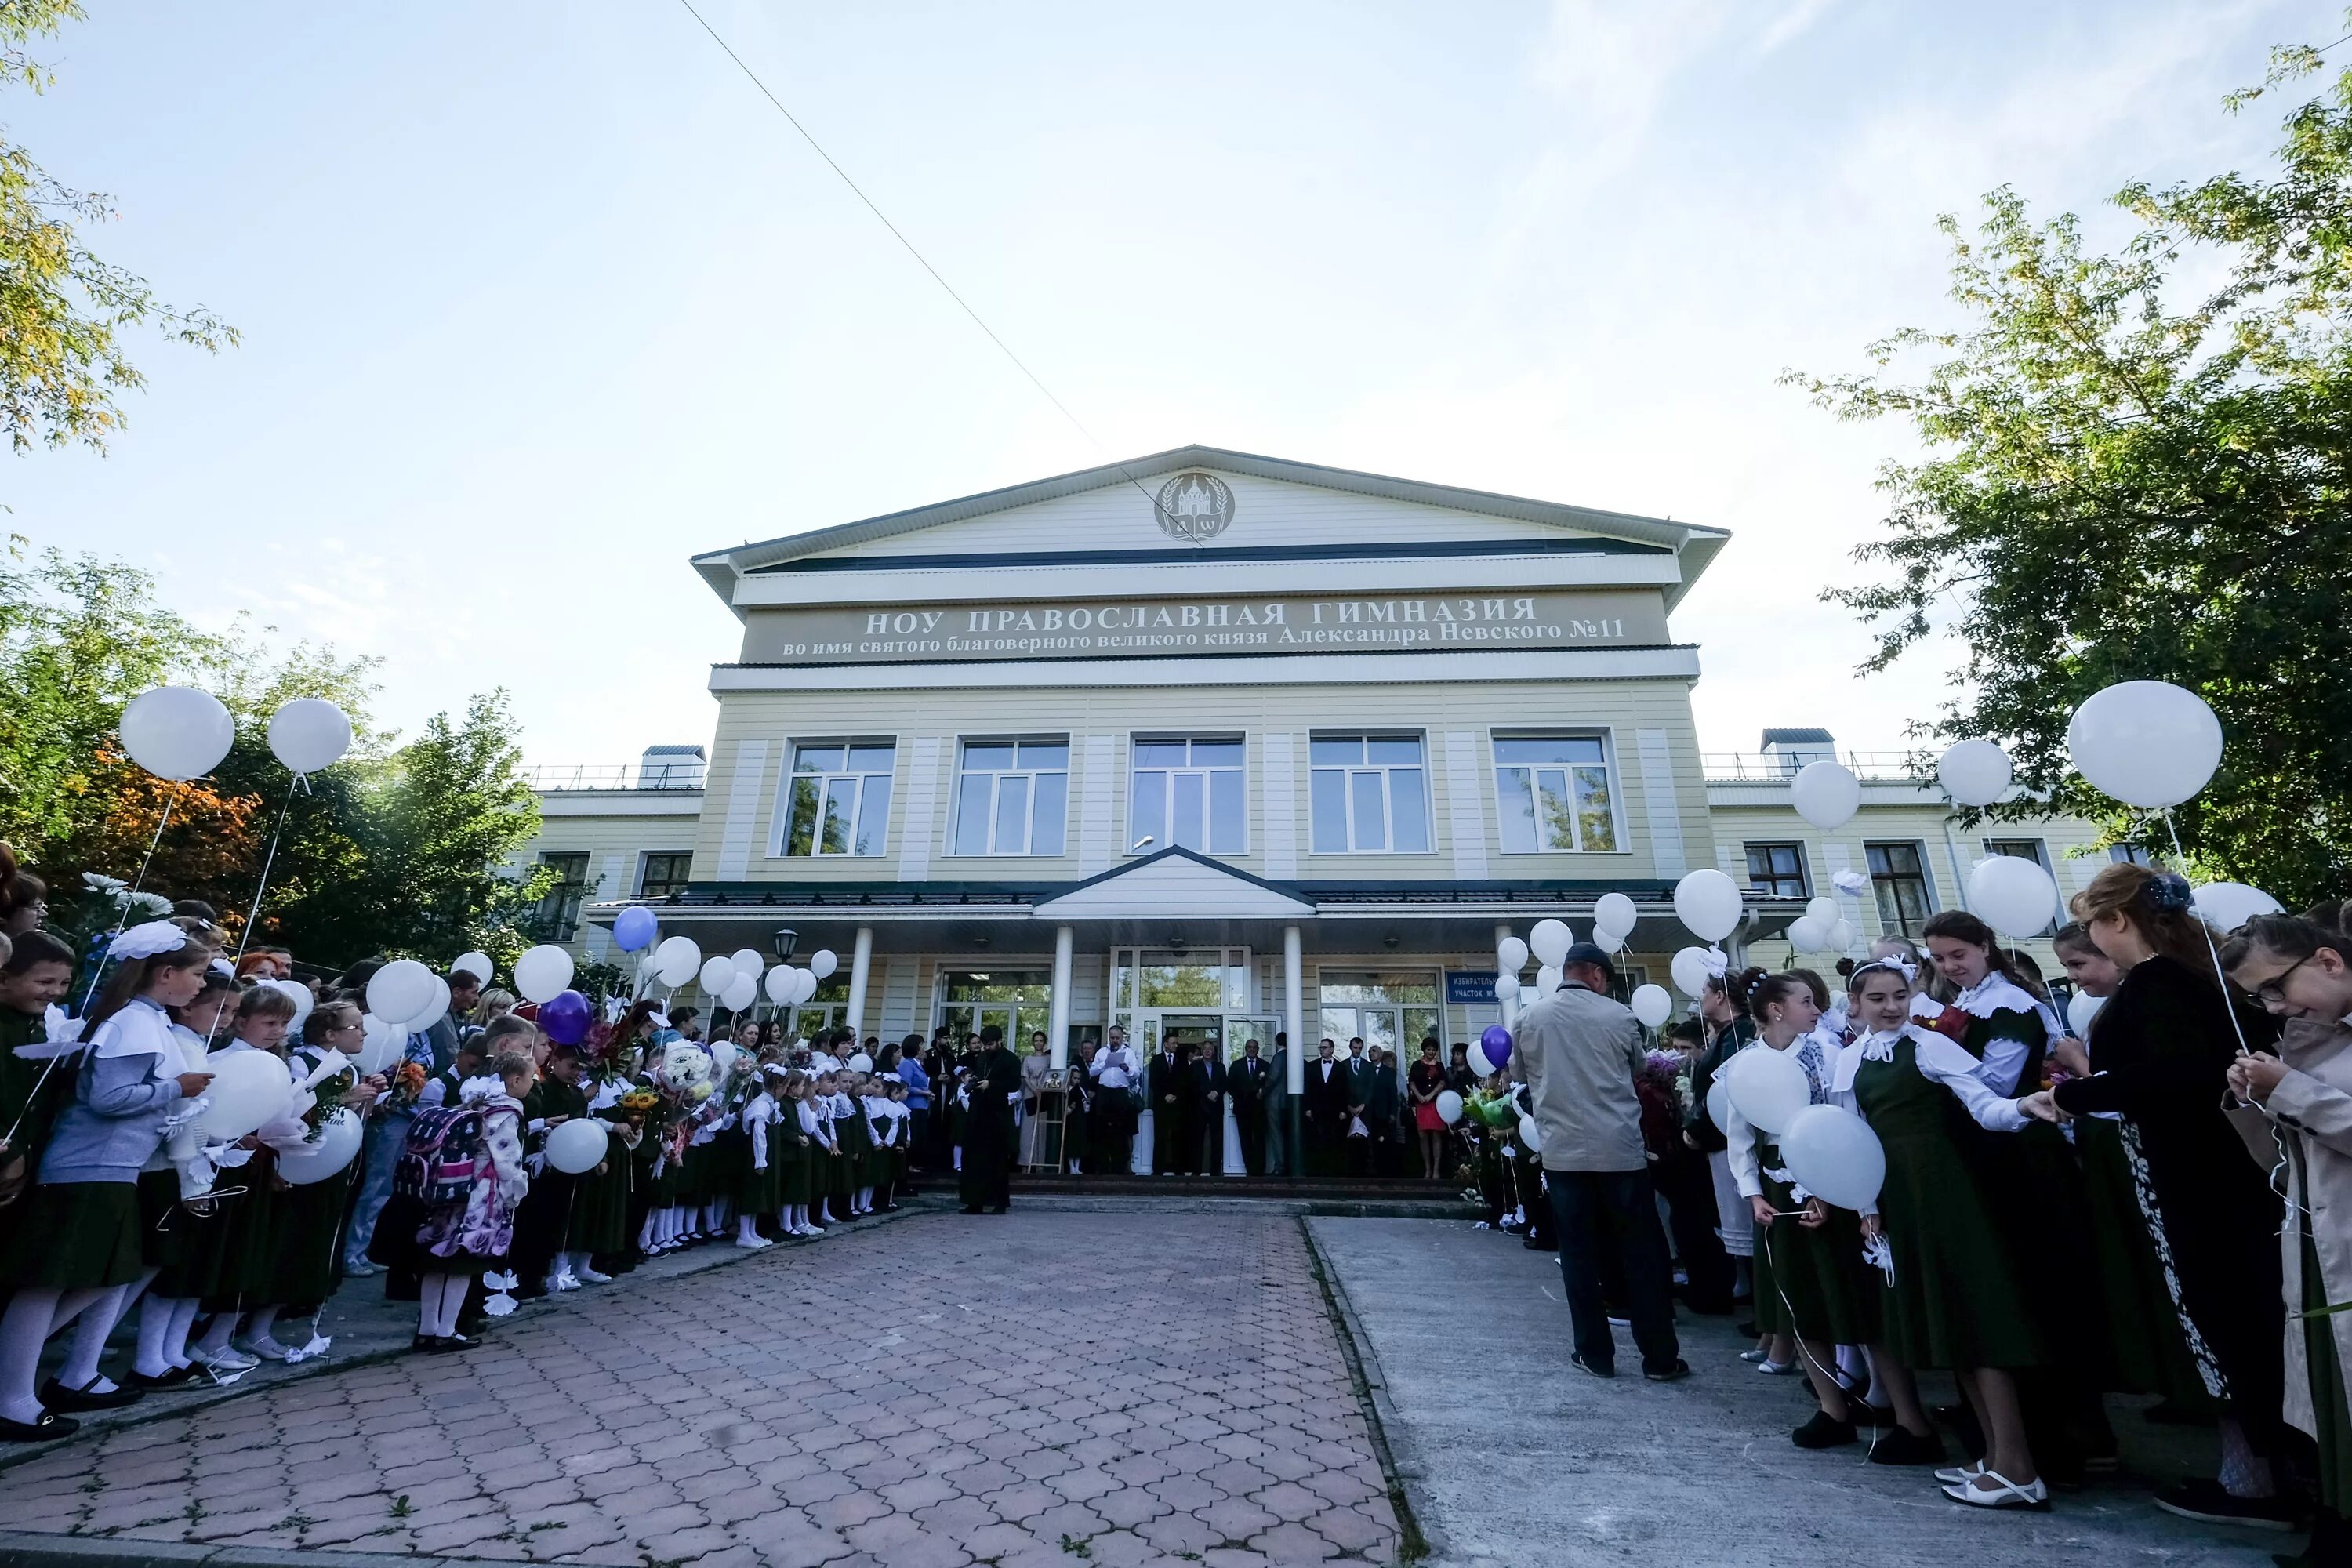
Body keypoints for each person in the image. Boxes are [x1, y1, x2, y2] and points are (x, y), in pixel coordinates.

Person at [2049, 864, 2292, 1529]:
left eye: (2096, 924)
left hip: (2195, 1175)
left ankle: (2262, 1479)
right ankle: (2258, 1469)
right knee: (2240, 1313)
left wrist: (2069, 1094)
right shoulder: (2196, 975)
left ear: (2117, 921)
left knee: (2224, 1316)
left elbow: (2167, 1077)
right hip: (2222, 1171)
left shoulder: (2156, 985)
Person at [1838, 956, 2048, 1503]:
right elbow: (1851, 1139)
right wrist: (1865, 1208)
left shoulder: (1929, 1046)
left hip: (1940, 1190)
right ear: (1855, 1005)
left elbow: (1984, 1107)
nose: (1891, 1007)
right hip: (1894, 1199)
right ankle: (1992, 1459)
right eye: (1877, 998)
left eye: (1899, 996)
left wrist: (2027, 1105)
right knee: (1952, 1324)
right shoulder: (1849, 1061)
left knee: (1977, 1320)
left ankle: (2019, 1466)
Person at [0, 922, 213, 1439]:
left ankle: (13, 1378)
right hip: (88, 1168)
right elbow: (109, 1099)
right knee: (50, 1284)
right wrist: (176, 1088)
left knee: (103, 1278)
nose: (204, 985)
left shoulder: (146, 1020)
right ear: (166, 974)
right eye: (199, 974)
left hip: (112, 1170)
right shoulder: (135, 1023)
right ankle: (13, 1397)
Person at [2221, 913, 2352, 1563]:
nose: (2273, 1007)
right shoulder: (2306, 1040)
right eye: (2260, 998)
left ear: (2329, 962)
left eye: (2276, 988)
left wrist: (2295, 1090)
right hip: (2318, 1251)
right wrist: (2253, 1100)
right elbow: (2283, 1163)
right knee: (2332, 1401)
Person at [1726, 972, 1889, 1450]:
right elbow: (1741, 1137)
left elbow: (1845, 1115)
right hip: (1777, 1179)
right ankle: (1829, 1406)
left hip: (1828, 1168)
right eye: (1805, 1001)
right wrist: (1753, 1192)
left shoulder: (1826, 1052)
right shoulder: (1746, 1064)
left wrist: (1831, 1185)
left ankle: (1881, 1392)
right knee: (1795, 1294)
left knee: (1847, 1289)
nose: (1817, 1010)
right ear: (1777, 1009)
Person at [1516, 942, 1685, 1382]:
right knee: (1642, 1254)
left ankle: (1594, 1353)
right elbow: (1638, 1065)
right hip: (1620, 1151)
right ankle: (1660, 1358)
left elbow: (1518, 1074)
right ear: (1595, 974)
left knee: (1577, 1254)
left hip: (1563, 1152)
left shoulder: (1529, 1018)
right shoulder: (1619, 1015)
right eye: (1606, 980)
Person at [959, 1025, 1021, 1214]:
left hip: (997, 1114)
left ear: (1000, 1041)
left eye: (990, 1044)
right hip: (978, 1112)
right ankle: (974, 1202)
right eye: (985, 1044)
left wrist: (991, 1084)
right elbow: (980, 1074)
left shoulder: (1011, 1059)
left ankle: (999, 1203)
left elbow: (1014, 1084)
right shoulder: (982, 1057)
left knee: (997, 1160)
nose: (987, 1047)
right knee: (973, 1159)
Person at [1229, 1036, 1272, 1176]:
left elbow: (1270, 1084)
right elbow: (1230, 1085)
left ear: (1258, 1049)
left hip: (1260, 1109)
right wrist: (1239, 1097)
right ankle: (1250, 1170)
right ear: (1245, 1049)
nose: (1252, 1049)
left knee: (1260, 1140)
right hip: (1242, 1108)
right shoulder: (1237, 1065)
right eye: (1249, 1047)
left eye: (1254, 1047)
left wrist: (1263, 1092)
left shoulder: (1265, 1065)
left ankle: (1260, 1170)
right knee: (1245, 1140)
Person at [1149, 1034, 1185, 1175]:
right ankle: (1158, 1168)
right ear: (1166, 1044)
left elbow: (1185, 1081)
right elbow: (1153, 1082)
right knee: (1160, 1136)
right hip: (1161, 1104)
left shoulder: (1181, 1060)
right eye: (1173, 1043)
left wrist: (1176, 1095)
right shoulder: (1156, 1060)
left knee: (1178, 1136)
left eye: (1177, 1043)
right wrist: (1165, 1095)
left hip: (1177, 1104)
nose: (1176, 1045)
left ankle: (1178, 1168)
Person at [898, 1034, 932, 1169]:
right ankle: (909, 1165)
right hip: (912, 1106)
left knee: (920, 1136)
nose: (924, 1048)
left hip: (922, 1106)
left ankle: (913, 1164)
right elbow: (906, 1086)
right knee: (914, 1136)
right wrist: (925, 1092)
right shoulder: (907, 1064)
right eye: (921, 1045)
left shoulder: (918, 1065)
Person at [1019, 1032, 1052, 1168]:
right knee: (1028, 1128)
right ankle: (1025, 1163)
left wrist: (1042, 1090)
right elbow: (1025, 1077)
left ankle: (1040, 1163)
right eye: (1036, 1040)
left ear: (1044, 1042)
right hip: (1030, 1092)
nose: (1038, 1043)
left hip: (1044, 1092)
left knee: (1042, 1127)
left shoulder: (1049, 1058)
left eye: (1041, 1041)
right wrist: (1034, 1090)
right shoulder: (1027, 1059)